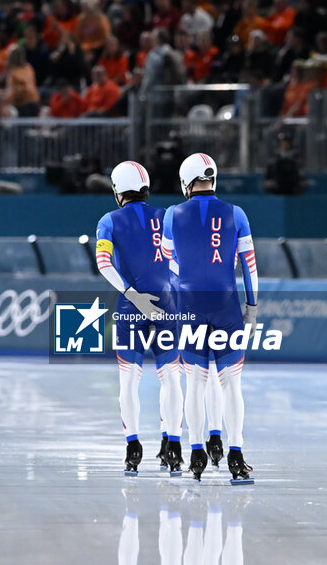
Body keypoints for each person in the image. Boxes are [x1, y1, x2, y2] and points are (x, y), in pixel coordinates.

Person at [161, 152, 258, 482]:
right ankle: (236, 455)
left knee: (195, 384)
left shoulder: (172, 215)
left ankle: (196, 454)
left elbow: (170, 269)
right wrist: (253, 306)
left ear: (186, 182)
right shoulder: (237, 213)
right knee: (232, 384)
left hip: (189, 306)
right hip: (227, 306)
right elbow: (249, 264)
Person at [95, 161, 183, 475]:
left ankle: (132, 446)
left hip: (131, 308)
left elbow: (104, 265)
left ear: (117, 191)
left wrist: (133, 295)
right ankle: (173, 444)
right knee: (171, 377)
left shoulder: (108, 221)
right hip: (167, 306)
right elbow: (182, 263)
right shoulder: (169, 216)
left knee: (128, 379)